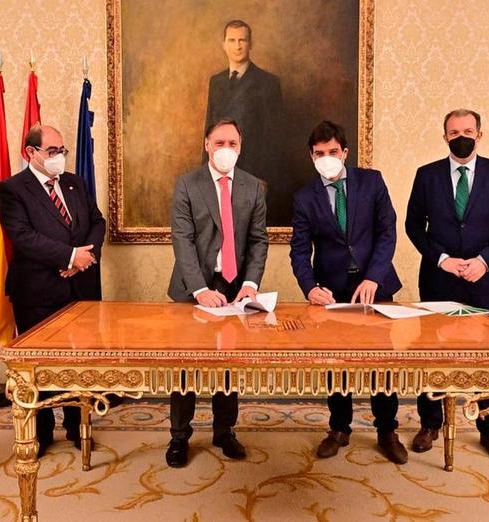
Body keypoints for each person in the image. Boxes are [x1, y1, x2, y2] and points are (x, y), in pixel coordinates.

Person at [405, 109, 489, 463]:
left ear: (480, 135)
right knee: (432, 355)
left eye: (468, 130)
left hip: (483, 281)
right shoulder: (426, 175)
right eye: (453, 132)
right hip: (438, 279)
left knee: (486, 357)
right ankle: (430, 424)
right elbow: (413, 226)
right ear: (444, 137)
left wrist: (485, 260)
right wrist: (442, 259)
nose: (461, 136)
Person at [289, 121, 407, 464]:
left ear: (345, 152)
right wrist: (310, 288)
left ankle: (387, 430)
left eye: (333, 152)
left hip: (375, 287)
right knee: (336, 366)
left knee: (382, 365)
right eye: (319, 153)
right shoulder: (304, 197)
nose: (327, 158)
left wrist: (373, 277)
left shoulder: (372, 181)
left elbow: (388, 232)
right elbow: (299, 250)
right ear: (312, 157)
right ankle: (339, 428)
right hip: (333, 292)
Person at [0, 125, 106, 458]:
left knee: (79, 361)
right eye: (53, 151)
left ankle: (76, 425)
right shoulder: (11, 189)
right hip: (38, 291)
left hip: (81, 286)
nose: (60, 157)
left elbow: (97, 221)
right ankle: (41, 432)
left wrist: (84, 258)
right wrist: (70, 256)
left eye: (63, 151)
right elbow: (23, 236)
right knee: (40, 367)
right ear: (31, 152)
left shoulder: (75, 182)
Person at [166, 118, 268, 468]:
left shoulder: (253, 187)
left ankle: (224, 431)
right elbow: (182, 239)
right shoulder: (187, 184)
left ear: (241, 147)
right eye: (219, 142)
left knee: (228, 366)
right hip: (192, 289)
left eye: (233, 144)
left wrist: (250, 284)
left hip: (233, 288)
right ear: (207, 144)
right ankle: (179, 437)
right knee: (184, 367)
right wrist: (200, 289)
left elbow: (258, 240)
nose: (227, 149)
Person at [203, 19, 286, 225]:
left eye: (242, 40)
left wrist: (264, 178)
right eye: (232, 40)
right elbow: (209, 129)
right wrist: (205, 171)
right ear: (224, 44)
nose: (237, 46)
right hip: (219, 172)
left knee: (247, 234)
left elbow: (274, 137)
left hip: (253, 173)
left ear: (251, 44)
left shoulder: (268, 83)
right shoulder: (217, 82)